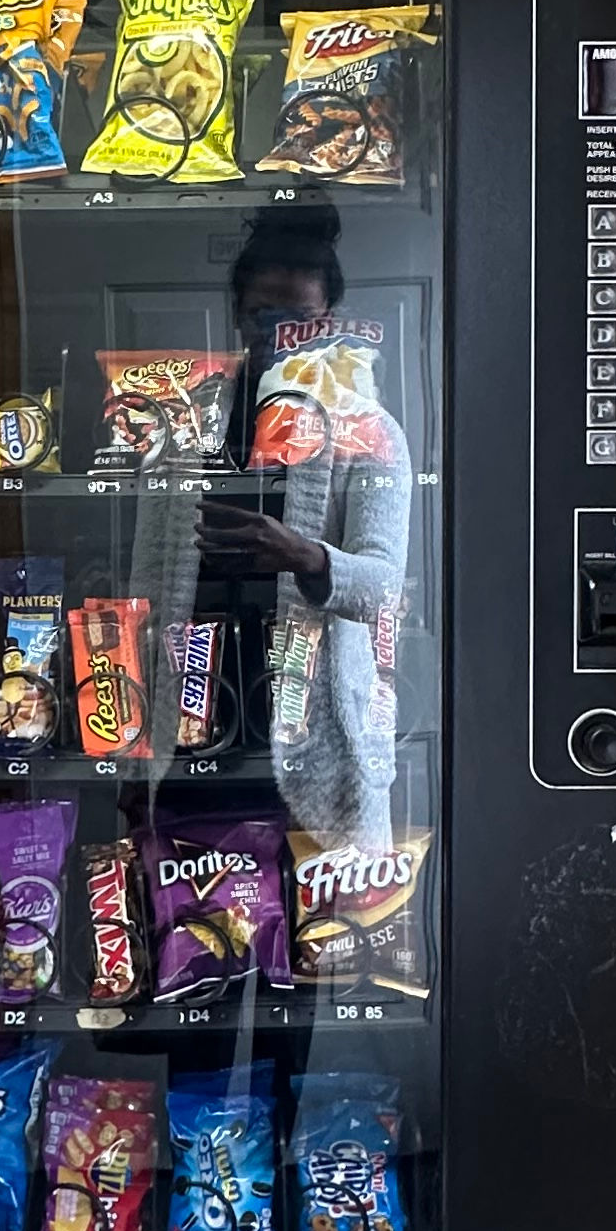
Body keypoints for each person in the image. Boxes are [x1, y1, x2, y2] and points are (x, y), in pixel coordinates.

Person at [198, 202, 407, 852]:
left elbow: (383, 585)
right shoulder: (184, 420)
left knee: (327, 943)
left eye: (302, 320)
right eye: (265, 314)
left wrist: (305, 555)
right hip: (194, 712)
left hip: (316, 736)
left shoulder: (368, 431)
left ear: (330, 325)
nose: (281, 333)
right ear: (238, 314)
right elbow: (151, 569)